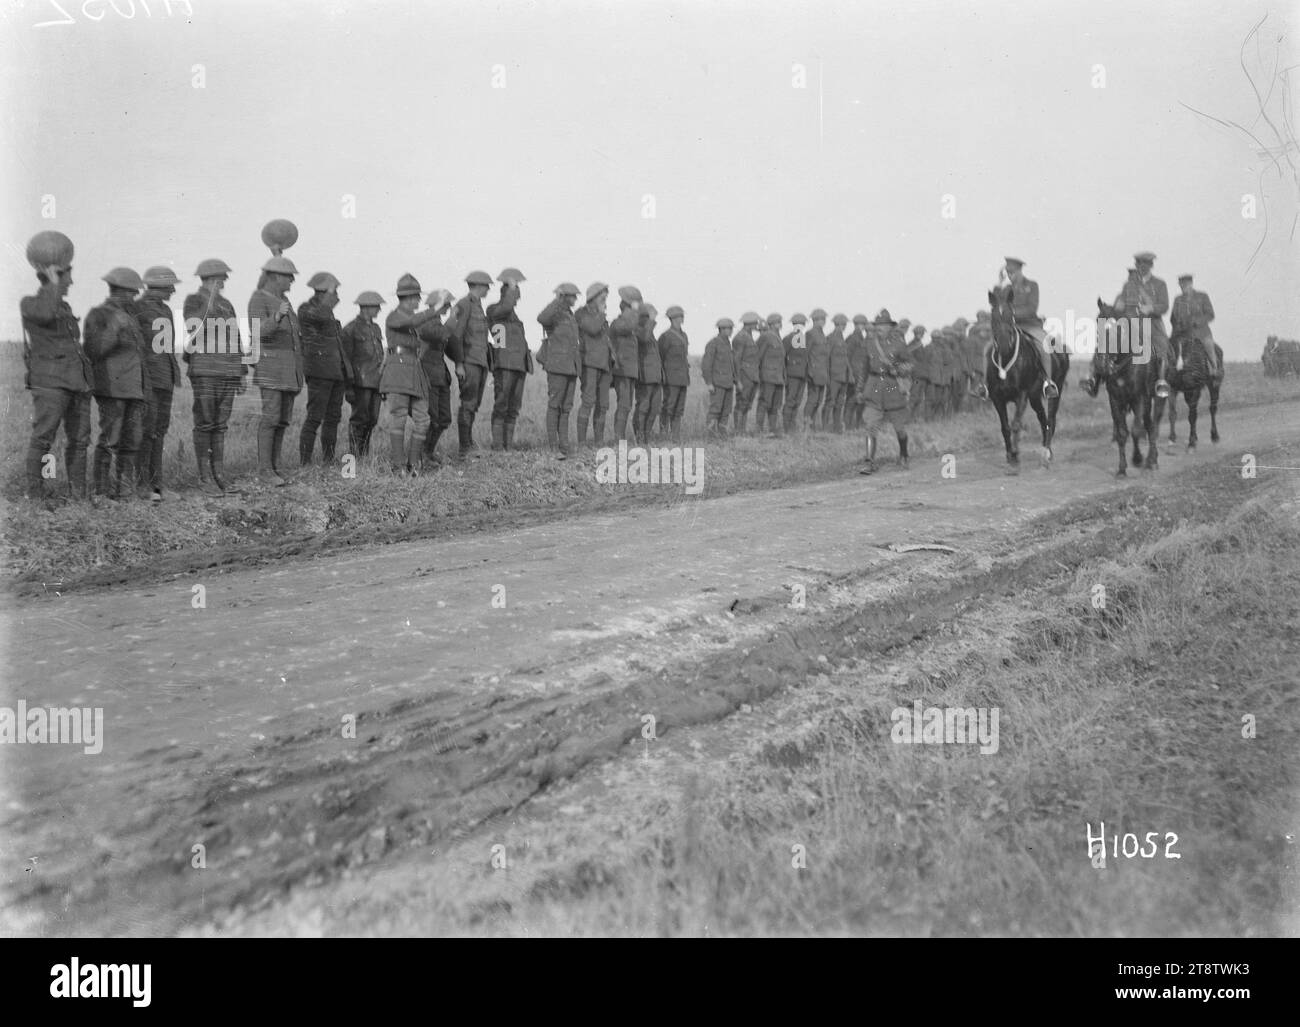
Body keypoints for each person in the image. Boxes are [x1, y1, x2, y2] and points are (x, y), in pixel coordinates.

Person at [20, 252, 92, 504]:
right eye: (67, 279)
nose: (70, 283)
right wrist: (52, 283)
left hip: (76, 382)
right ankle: (36, 497)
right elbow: (45, 315)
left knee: (80, 440)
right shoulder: (30, 303)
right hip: (50, 383)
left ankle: (78, 496)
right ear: (52, 278)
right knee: (43, 438)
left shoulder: (64, 307)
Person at [84, 267, 148, 500]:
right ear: (119, 291)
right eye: (132, 293)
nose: (134, 298)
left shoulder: (129, 317)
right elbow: (93, 349)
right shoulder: (99, 314)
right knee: (110, 440)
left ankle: (125, 491)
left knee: (132, 441)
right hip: (112, 389)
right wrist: (116, 326)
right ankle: (100, 492)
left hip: (133, 389)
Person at [184, 258, 246, 494]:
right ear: (209, 279)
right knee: (205, 422)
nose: (225, 281)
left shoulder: (227, 304)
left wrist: (240, 371)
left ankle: (218, 475)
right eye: (221, 277)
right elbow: (193, 326)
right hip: (205, 369)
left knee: (220, 425)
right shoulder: (194, 301)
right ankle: (205, 477)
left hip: (227, 370)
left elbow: (235, 336)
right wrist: (208, 302)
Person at [249, 255, 303, 485]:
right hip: (271, 369)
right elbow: (258, 332)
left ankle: (276, 466)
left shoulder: (284, 302)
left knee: (282, 420)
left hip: (288, 371)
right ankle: (265, 471)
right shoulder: (258, 299)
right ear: (274, 277)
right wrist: (278, 315)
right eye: (288, 277)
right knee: (271, 418)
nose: (292, 281)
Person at [382, 274, 440, 474]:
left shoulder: (409, 321)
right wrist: (435, 310)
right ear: (406, 298)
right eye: (416, 297)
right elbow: (414, 321)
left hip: (414, 373)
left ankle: (413, 465)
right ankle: (399, 466)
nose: (419, 301)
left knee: (423, 420)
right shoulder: (394, 316)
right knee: (398, 418)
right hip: (398, 372)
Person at [134, 266, 182, 502]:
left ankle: (157, 485)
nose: (173, 290)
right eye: (169, 286)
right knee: (146, 432)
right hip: (149, 380)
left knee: (159, 432)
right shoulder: (139, 308)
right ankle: (143, 486)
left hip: (165, 377)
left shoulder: (165, 309)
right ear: (157, 287)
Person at [980, 257, 1057, 400]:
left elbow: (1032, 308)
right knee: (987, 349)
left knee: (1043, 346)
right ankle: (985, 386)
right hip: (1009, 328)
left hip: (1030, 325)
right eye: (1008, 273)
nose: (1010, 275)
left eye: (1013, 272)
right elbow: (997, 303)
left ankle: (1048, 383)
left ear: (1020, 271)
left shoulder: (1032, 285)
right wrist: (999, 282)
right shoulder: (1006, 288)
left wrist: (1011, 313)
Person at [298, 271, 351, 466]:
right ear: (322, 291)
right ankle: (305, 463)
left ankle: (328, 460)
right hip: (319, 373)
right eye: (333, 291)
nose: (337, 295)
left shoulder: (328, 314)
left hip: (335, 373)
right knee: (314, 417)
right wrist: (329, 296)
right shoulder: (306, 309)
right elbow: (319, 315)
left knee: (333, 418)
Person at [858, 309, 913, 474]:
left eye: (883, 325)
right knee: (871, 425)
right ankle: (869, 462)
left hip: (893, 388)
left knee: (899, 428)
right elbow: (864, 369)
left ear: (890, 327)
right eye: (878, 325)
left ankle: (904, 454)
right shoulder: (869, 344)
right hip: (874, 387)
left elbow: (910, 365)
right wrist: (860, 389)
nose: (880, 327)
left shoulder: (899, 344)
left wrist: (895, 367)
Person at [486, 267, 534, 450]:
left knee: (513, 408)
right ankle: (498, 447)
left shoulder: (511, 315)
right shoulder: (494, 310)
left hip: (518, 365)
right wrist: (512, 287)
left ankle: (508, 446)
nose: (517, 299)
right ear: (506, 293)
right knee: (501, 406)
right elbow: (506, 306)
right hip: (504, 364)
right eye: (514, 294)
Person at [416, 288, 464, 467]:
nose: (448, 308)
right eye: (445, 305)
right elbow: (443, 334)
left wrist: (459, 362)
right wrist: (452, 317)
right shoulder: (426, 323)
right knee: (431, 418)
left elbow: (449, 340)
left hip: (440, 377)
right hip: (427, 377)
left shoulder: (438, 323)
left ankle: (427, 452)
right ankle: (421, 455)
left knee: (443, 419)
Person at [450, 270, 493, 458]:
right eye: (486, 286)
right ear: (477, 286)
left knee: (473, 404)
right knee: (467, 404)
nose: (488, 289)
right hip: (469, 362)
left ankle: (468, 442)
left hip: (480, 362)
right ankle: (464, 447)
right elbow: (455, 336)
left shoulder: (478, 306)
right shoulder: (464, 305)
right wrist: (459, 363)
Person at [536, 282, 582, 457]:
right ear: (563, 296)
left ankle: (564, 444)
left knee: (566, 407)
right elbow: (541, 318)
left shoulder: (570, 315)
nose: (575, 299)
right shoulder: (554, 313)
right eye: (572, 296)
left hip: (570, 367)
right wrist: (556, 300)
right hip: (557, 367)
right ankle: (553, 446)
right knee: (555, 405)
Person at [341, 292, 386, 458]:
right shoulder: (350, 329)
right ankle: (354, 458)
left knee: (372, 420)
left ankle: (363, 456)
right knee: (359, 420)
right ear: (366, 308)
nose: (380, 309)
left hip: (376, 381)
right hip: (360, 382)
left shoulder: (376, 328)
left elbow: (380, 354)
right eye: (376, 306)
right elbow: (346, 360)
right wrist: (349, 387)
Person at [576, 282, 612, 447]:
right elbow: (593, 328)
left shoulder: (600, 315)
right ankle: (582, 442)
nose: (604, 299)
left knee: (603, 404)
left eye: (605, 296)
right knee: (588, 401)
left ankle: (599, 441)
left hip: (604, 365)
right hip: (589, 364)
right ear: (593, 297)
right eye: (602, 296)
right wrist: (602, 314)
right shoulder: (582, 313)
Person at [609, 286, 643, 442]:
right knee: (623, 405)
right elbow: (630, 326)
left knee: (627, 406)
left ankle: (619, 437)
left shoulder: (628, 325)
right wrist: (635, 311)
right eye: (630, 311)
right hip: (621, 370)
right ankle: (618, 438)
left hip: (629, 371)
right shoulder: (618, 323)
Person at [1170, 273, 1220, 376]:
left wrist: (1197, 321)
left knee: (1208, 345)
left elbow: (1210, 315)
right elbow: (1173, 317)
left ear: (1191, 284)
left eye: (1186, 285)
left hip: (1201, 333)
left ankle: (1214, 370)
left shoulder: (1202, 296)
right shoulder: (1178, 299)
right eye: (1181, 285)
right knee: (1169, 349)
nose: (1183, 287)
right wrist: (1177, 325)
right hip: (1182, 334)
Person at [657, 306, 690, 443]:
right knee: (668, 407)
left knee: (679, 408)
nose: (680, 319)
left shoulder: (684, 335)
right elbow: (661, 357)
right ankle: (664, 435)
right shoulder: (665, 336)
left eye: (681, 316)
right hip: (670, 378)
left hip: (682, 377)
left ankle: (675, 436)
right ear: (672, 319)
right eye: (678, 317)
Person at [700, 317, 736, 437]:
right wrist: (709, 382)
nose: (731, 331)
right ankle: (711, 435)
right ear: (721, 329)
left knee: (726, 411)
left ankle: (722, 434)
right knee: (715, 410)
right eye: (729, 329)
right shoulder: (713, 343)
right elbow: (706, 364)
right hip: (718, 383)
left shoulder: (728, 344)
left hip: (728, 383)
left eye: (731, 328)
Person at [634, 304, 664, 442]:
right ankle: (639, 436)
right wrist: (651, 320)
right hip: (645, 377)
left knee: (654, 408)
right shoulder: (638, 329)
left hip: (655, 377)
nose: (650, 319)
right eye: (647, 317)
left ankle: (646, 435)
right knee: (643, 407)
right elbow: (644, 338)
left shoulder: (650, 332)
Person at [731, 311, 762, 433]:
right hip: (744, 376)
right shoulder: (740, 337)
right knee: (741, 404)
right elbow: (736, 360)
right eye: (755, 323)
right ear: (749, 323)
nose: (757, 325)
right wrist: (737, 380)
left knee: (747, 404)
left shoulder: (748, 337)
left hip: (752, 376)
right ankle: (738, 431)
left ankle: (742, 430)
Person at [757, 312, 786, 437]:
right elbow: (759, 356)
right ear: (771, 324)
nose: (780, 324)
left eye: (780, 322)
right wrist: (759, 375)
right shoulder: (766, 337)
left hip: (778, 377)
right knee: (765, 403)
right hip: (768, 376)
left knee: (775, 404)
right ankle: (759, 429)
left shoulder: (778, 337)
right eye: (777, 322)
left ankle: (772, 430)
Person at [781, 313, 809, 432]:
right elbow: (783, 356)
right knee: (791, 400)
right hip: (792, 374)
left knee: (797, 401)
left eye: (802, 324)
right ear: (794, 325)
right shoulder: (788, 339)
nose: (800, 326)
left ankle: (792, 424)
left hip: (802, 374)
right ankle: (787, 426)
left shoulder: (805, 339)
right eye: (798, 324)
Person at [803, 308, 830, 431]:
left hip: (822, 373)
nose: (823, 322)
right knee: (812, 400)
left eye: (824, 319)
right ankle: (806, 424)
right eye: (821, 319)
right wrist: (809, 372)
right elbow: (806, 354)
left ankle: (812, 424)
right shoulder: (810, 333)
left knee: (819, 400)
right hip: (814, 373)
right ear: (815, 320)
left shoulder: (822, 334)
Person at [825, 313, 852, 432]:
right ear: (839, 325)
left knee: (840, 403)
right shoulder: (831, 338)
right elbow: (827, 357)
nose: (844, 326)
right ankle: (825, 427)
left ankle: (837, 427)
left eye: (845, 325)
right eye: (843, 324)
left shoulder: (842, 338)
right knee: (830, 402)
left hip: (843, 376)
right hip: (834, 375)